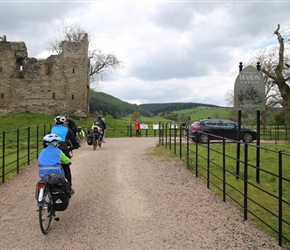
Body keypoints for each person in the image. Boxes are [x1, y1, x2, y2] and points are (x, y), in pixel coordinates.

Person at [48, 115, 80, 189]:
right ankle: (69, 186)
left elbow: (46, 140)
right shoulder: (67, 130)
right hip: (63, 149)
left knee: (51, 166)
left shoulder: (51, 129)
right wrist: (76, 146)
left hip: (52, 150)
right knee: (66, 167)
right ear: (64, 122)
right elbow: (74, 140)